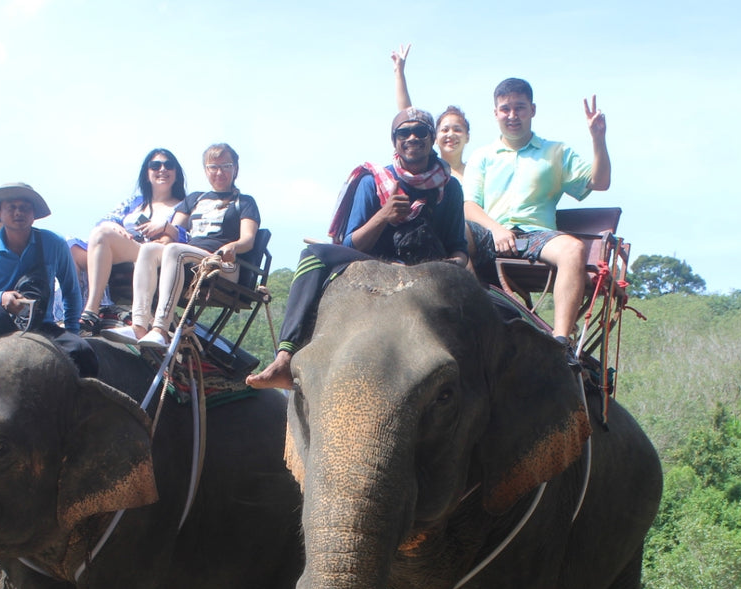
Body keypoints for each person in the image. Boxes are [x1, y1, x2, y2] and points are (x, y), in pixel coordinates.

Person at [247, 109, 467, 390]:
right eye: (404, 133)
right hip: (373, 261)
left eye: (420, 132)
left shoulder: (449, 188)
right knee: (313, 256)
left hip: (429, 270)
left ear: (431, 138)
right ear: (394, 141)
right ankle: (284, 356)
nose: (412, 137)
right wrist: (383, 216)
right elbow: (349, 244)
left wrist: (453, 264)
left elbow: (458, 247)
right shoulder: (372, 182)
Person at [464, 77, 610, 343]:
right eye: (505, 109)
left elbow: (600, 183)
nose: (512, 115)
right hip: (491, 235)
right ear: (495, 113)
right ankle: (472, 317)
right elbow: (468, 205)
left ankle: (561, 340)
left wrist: (598, 138)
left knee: (573, 249)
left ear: (532, 109)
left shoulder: (556, 151)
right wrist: (496, 230)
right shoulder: (482, 156)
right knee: (456, 233)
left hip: (536, 236)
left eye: (519, 107)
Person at [106, 143, 259, 348]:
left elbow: (247, 239)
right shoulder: (195, 198)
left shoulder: (245, 202)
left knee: (174, 251)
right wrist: (161, 236)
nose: (219, 172)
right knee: (150, 249)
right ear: (206, 170)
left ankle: (160, 328)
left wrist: (233, 247)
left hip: (220, 263)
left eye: (225, 166)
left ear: (235, 169)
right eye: (213, 167)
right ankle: (139, 325)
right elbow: (174, 231)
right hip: (188, 254)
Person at [0, 182, 96, 376]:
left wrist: (73, 332)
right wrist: (0, 298)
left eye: (24, 208)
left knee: (82, 352)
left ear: (33, 214)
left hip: (41, 326)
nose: (18, 213)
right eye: (11, 207)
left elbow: (70, 291)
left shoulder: (54, 243)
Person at [75, 148, 188, 332]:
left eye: (169, 165)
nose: (162, 169)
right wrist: (115, 226)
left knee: (102, 234)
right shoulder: (135, 202)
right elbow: (105, 220)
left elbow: (185, 236)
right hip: (124, 246)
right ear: (146, 173)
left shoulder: (183, 204)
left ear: (176, 173)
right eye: (155, 165)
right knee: (72, 245)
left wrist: (164, 227)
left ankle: (92, 309)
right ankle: (69, 310)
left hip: (154, 251)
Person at [392, 44, 471, 179]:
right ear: (434, 137)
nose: (450, 135)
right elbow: (408, 117)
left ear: (467, 137)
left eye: (457, 130)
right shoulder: (429, 171)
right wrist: (399, 73)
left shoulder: (475, 172)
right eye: (444, 130)